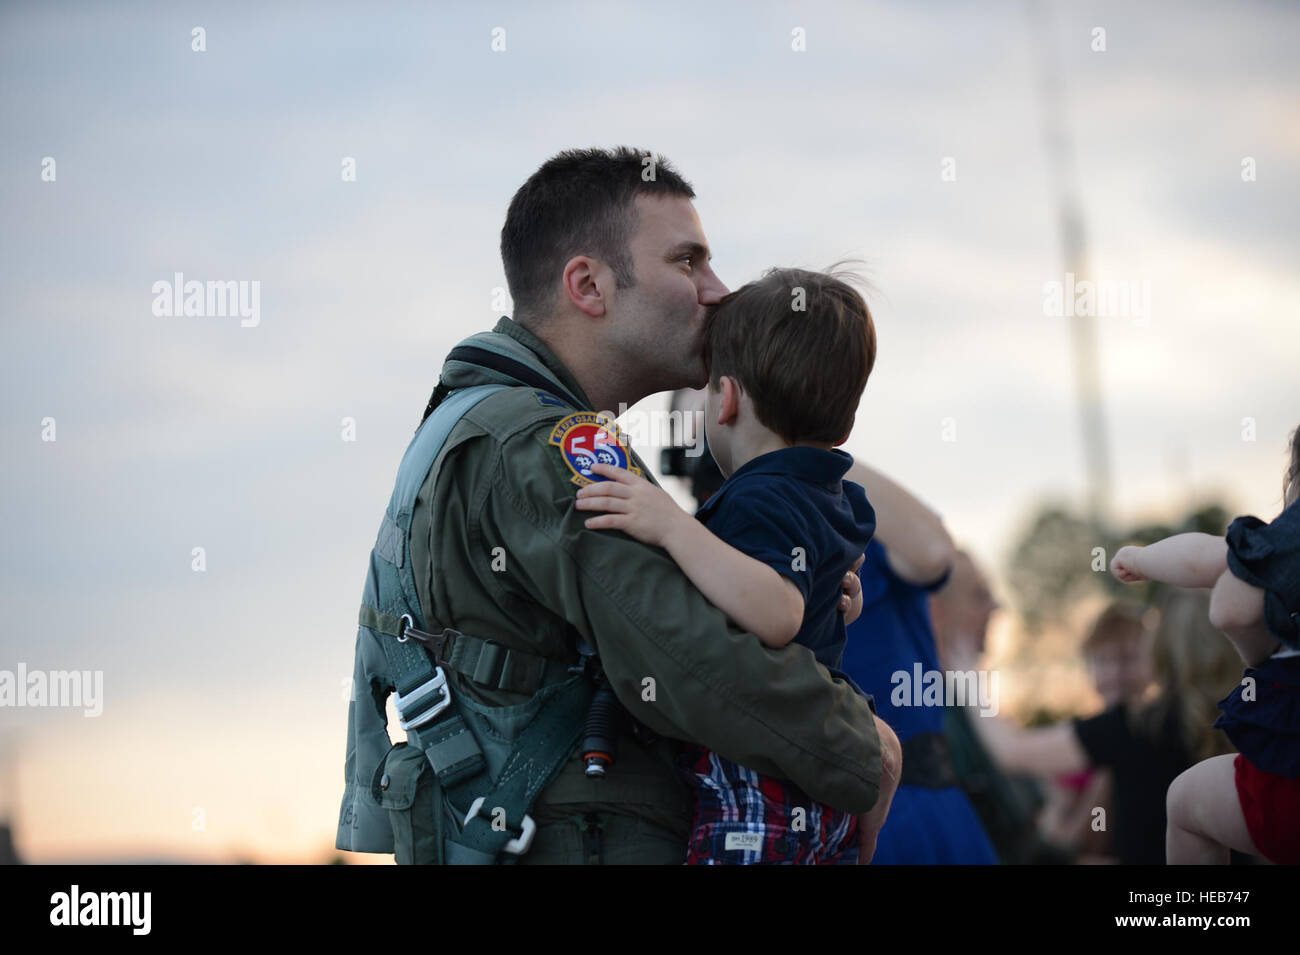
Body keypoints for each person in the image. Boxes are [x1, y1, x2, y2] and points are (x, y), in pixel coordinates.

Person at [335, 147, 895, 864]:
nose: (719, 291)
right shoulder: (546, 445)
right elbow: (692, 659)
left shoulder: (476, 418)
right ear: (589, 285)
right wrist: (862, 744)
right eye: (688, 262)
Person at [576, 266, 898, 863]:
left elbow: (776, 611)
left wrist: (671, 525)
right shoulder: (830, 492)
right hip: (818, 788)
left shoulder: (759, 496)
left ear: (725, 400)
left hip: (761, 788)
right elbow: (807, 590)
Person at [1111, 426, 1300, 864]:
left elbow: (1204, 561)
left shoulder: (1288, 540)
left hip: (1291, 787)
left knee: (1186, 801)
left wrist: (1140, 558)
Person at [973, 592, 1240, 864]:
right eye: (1101, 660)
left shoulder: (1135, 725)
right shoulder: (1241, 722)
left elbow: (1011, 752)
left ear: (1156, 654)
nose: (1114, 673)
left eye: (1128, 658)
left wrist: (968, 680)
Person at [838, 468, 1000, 864]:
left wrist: (814, 443)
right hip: (843, 816)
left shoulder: (853, 529)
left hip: (921, 809)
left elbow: (932, 552)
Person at [930, 550, 1074, 864]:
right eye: (979, 595)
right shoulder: (933, 717)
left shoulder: (971, 705)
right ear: (936, 611)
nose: (997, 606)